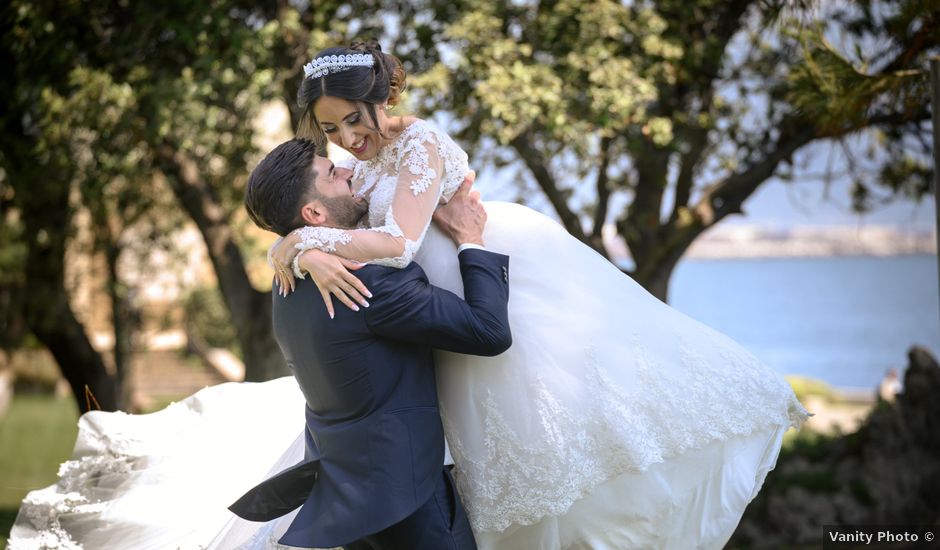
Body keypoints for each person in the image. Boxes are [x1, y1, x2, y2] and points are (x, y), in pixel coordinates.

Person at [261, 42, 809, 549]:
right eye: (332, 129)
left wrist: (306, 238)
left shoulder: (420, 144)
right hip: (418, 311)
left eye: (354, 119)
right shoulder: (356, 164)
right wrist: (299, 247)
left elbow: (400, 243)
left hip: (463, 277)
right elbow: (335, 218)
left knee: (538, 431)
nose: (347, 140)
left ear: (383, 98)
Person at [225, 139, 511, 549]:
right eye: (331, 174)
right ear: (314, 214)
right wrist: (470, 238)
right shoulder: (369, 284)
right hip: (403, 496)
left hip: (346, 497)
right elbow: (490, 331)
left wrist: (298, 249)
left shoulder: (285, 281)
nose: (347, 171)